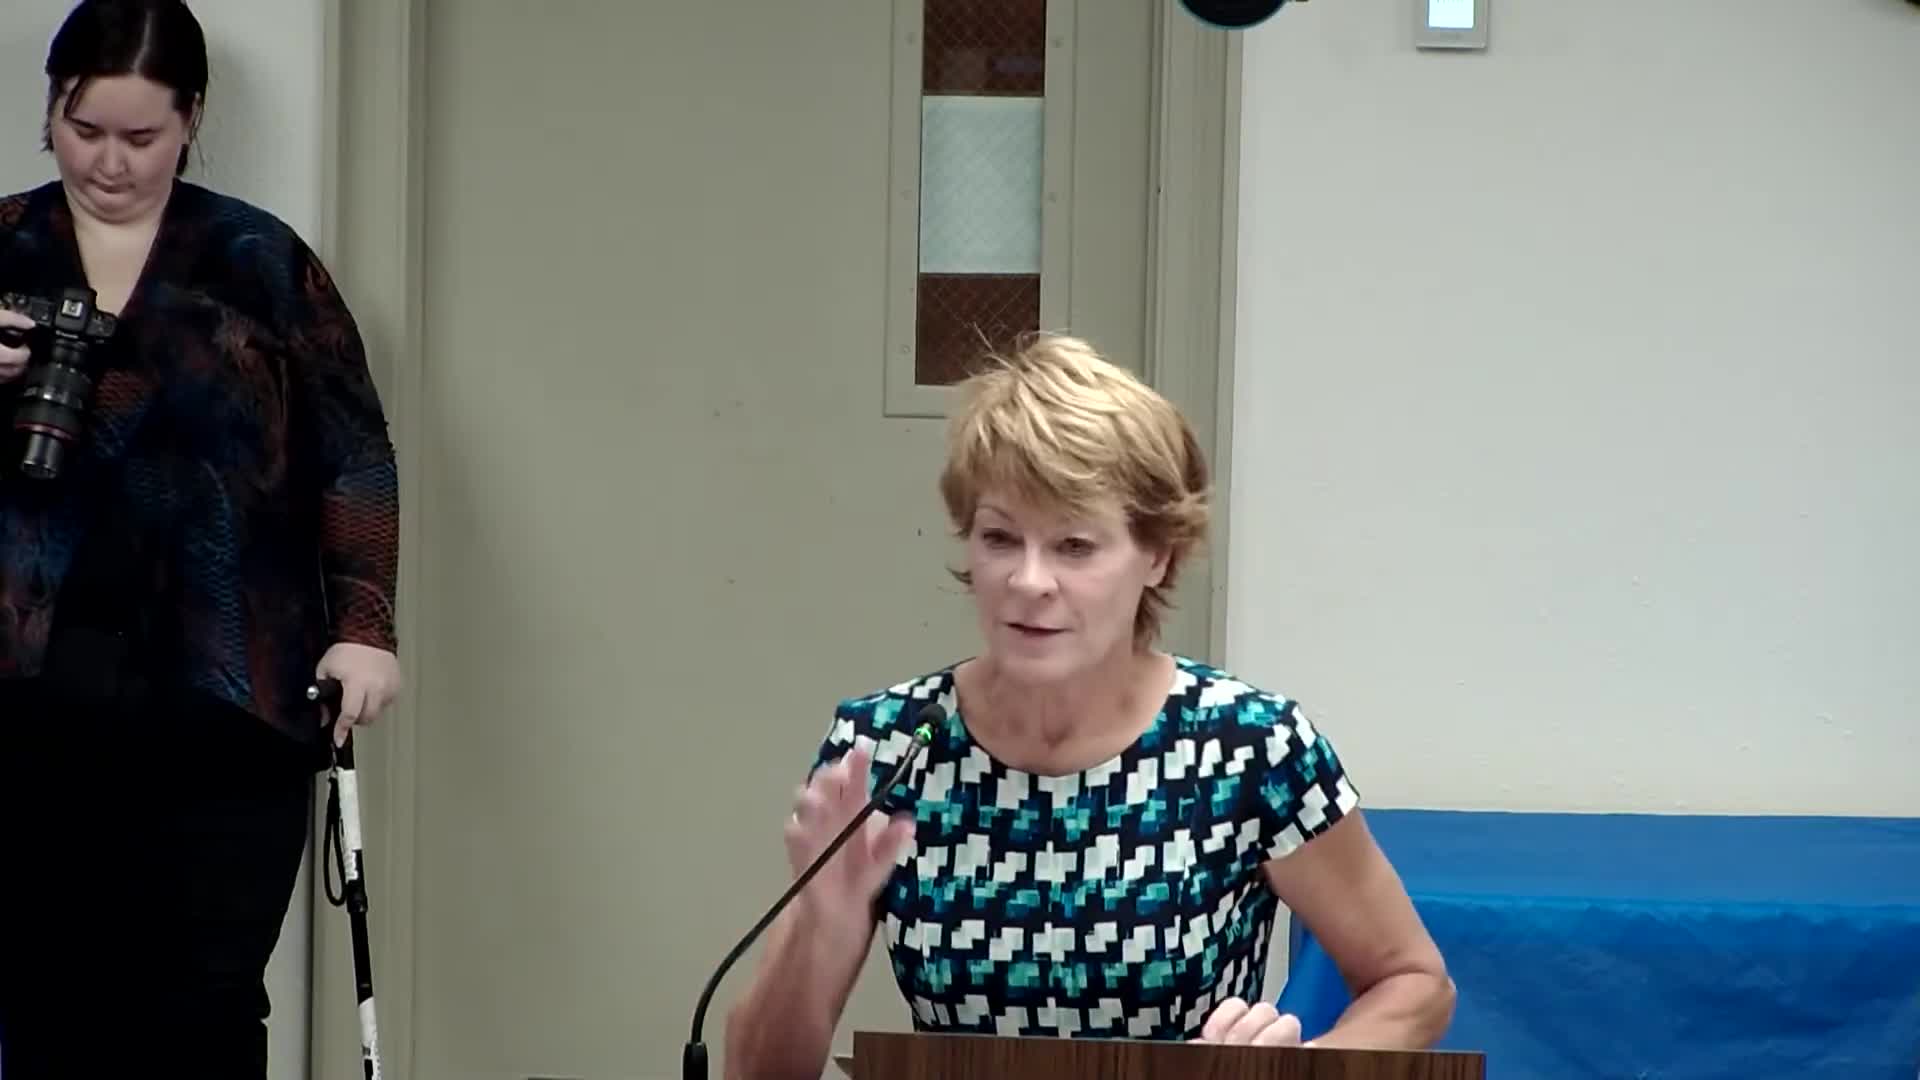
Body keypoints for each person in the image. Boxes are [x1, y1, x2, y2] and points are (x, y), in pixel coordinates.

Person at [723, 334, 1454, 1078]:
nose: (1029, 581)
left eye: (1074, 546)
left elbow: (1414, 982)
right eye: (1000, 538)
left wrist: (1299, 1071)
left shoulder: (1250, 749)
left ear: (1158, 555)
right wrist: (822, 929)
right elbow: (758, 1072)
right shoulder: (891, 746)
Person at [0, 2, 400, 1076]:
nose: (110, 163)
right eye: (86, 130)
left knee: (207, 1003)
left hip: (228, 692)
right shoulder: (5, 243)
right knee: (43, 995)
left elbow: (356, 453)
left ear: (192, 120)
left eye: (142, 136)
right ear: (51, 110)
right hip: (29, 697)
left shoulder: (258, 259)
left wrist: (365, 625)